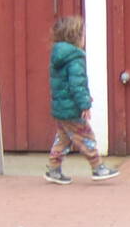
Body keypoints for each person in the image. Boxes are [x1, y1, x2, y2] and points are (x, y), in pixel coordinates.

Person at [45, 15, 118, 184]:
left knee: (63, 139)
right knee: (86, 136)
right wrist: (85, 104)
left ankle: (54, 169)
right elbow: (77, 84)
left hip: (61, 107)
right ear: (76, 37)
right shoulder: (74, 59)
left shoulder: (58, 56)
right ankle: (97, 167)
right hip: (71, 108)